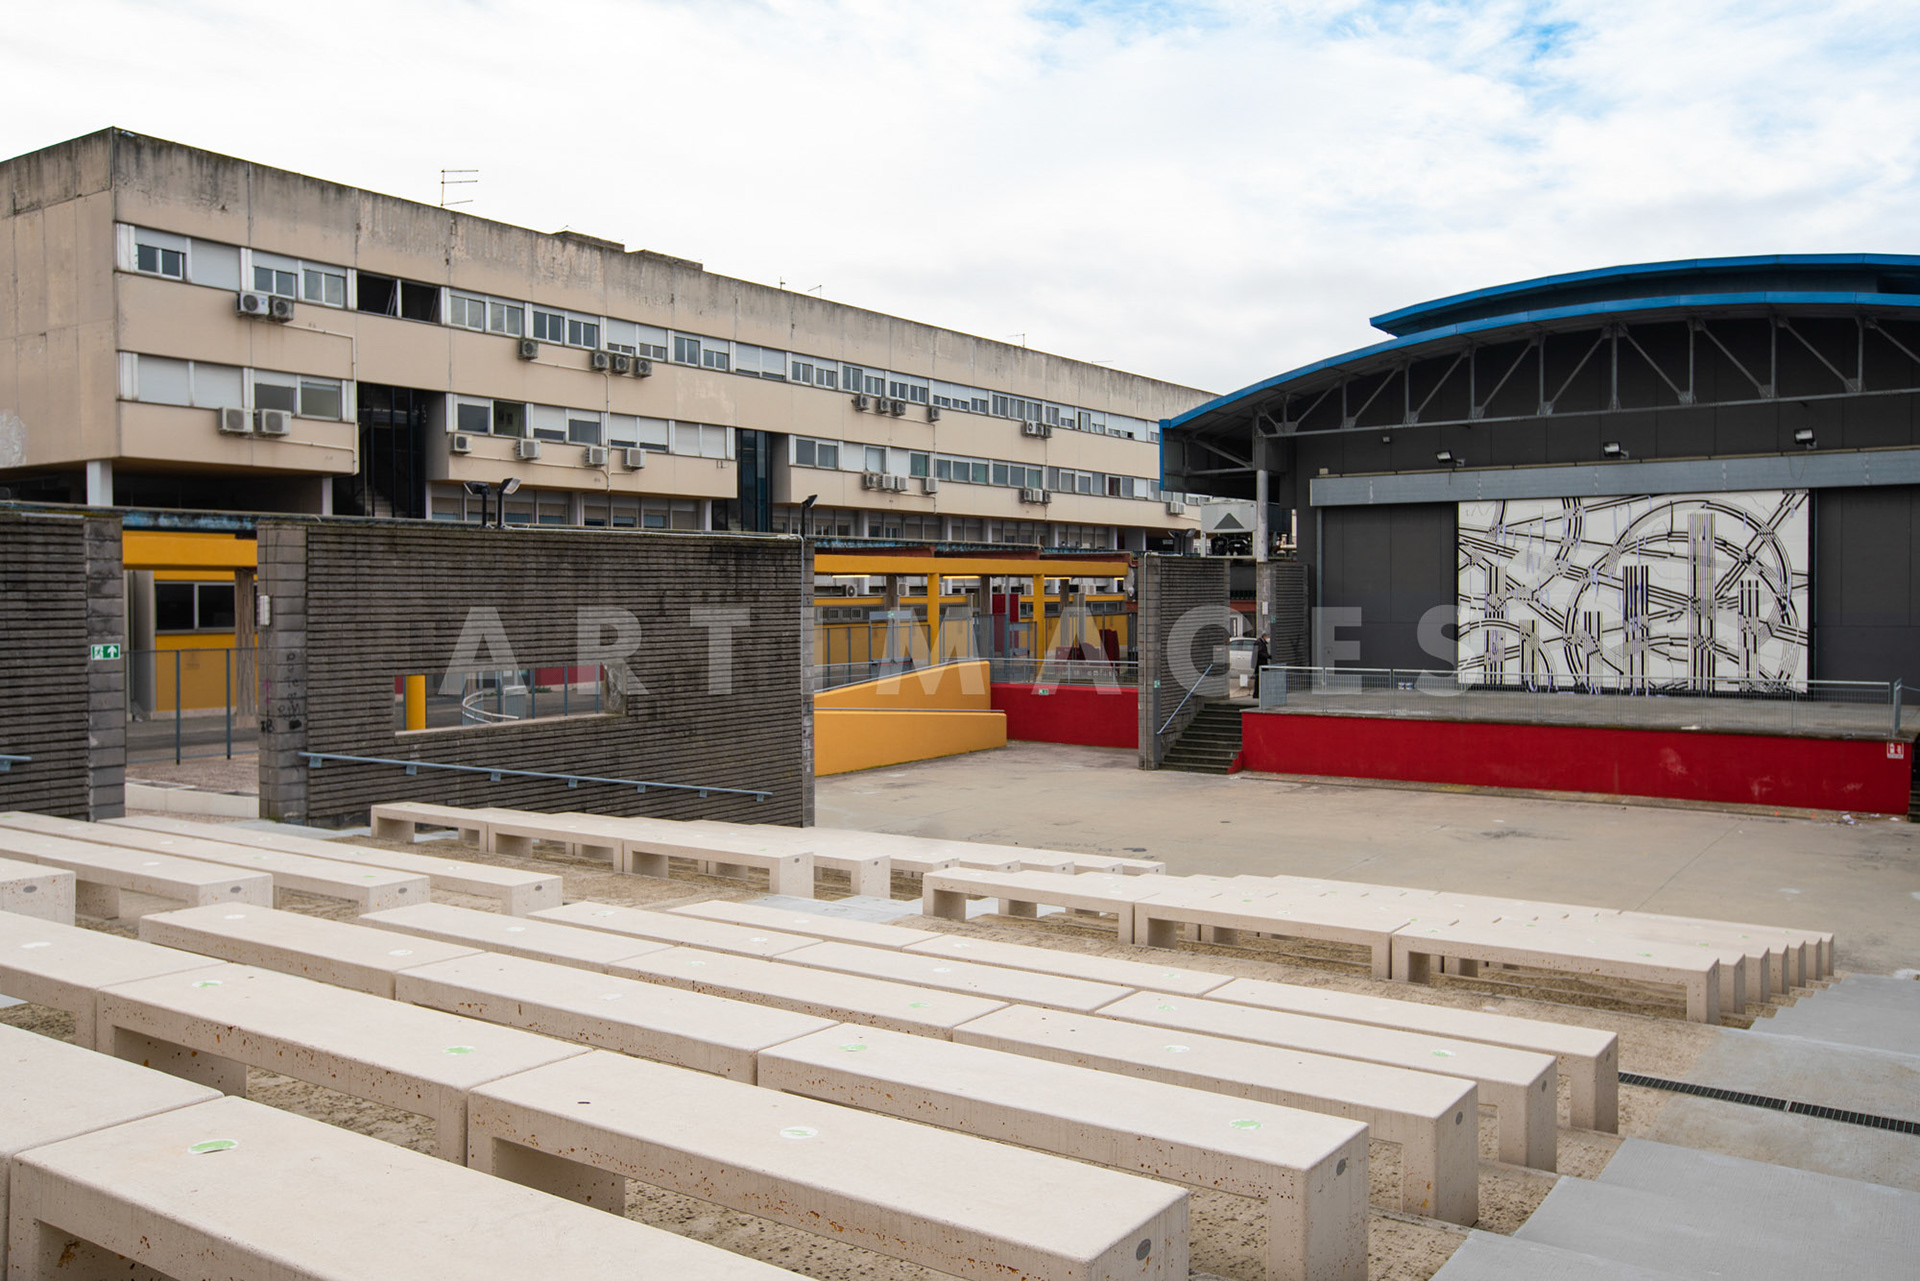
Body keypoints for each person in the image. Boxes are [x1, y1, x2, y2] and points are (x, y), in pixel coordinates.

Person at [1252, 632, 1271, 700]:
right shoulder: (1258, 643)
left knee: (1261, 679)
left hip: (1262, 664)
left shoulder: (1262, 643)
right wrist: (1268, 656)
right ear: (1264, 636)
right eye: (1268, 637)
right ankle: (1256, 694)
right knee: (1258, 679)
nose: (1268, 639)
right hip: (1259, 664)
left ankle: (1259, 693)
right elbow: (1260, 653)